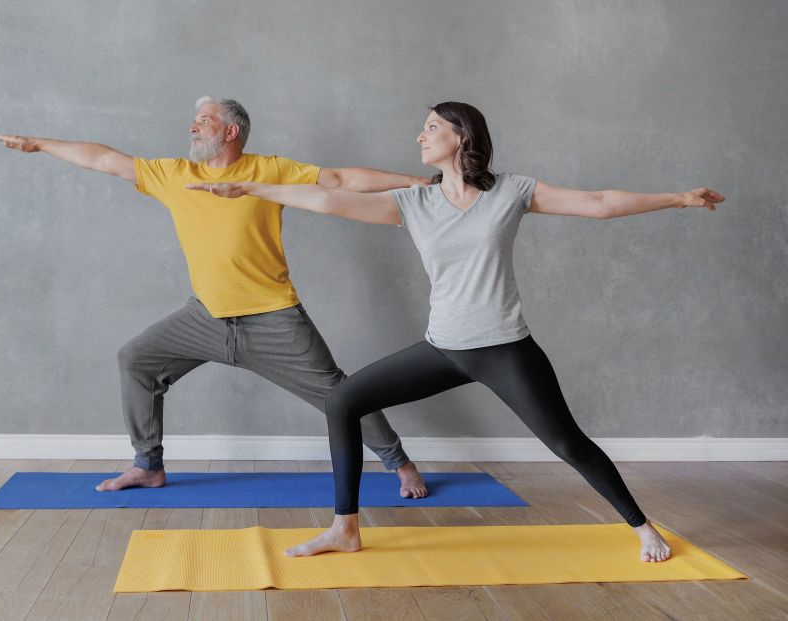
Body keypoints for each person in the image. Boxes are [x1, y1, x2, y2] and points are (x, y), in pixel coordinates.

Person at [188, 101, 726, 562]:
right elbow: (328, 199)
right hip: (444, 349)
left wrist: (678, 198)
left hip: (504, 350)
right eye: (421, 129)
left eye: (431, 127)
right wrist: (251, 188)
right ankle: (344, 529)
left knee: (568, 444)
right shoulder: (414, 202)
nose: (420, 136)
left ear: (460, 136)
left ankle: (641, 526)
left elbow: (599, 204)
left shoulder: (512, 190)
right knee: (343, 400)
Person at [0, 96, 431, 497]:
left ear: (231, 131)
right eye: (195, 120)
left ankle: (400, 464)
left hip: (273, 318)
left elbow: (339, 178)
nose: (194, 127)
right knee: (136, 360)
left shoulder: (269, 170)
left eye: (204, 120)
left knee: (338, 393)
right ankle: (148, 466)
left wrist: (416, 183)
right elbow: (104, 158)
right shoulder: (174, 175)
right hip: (204, 318)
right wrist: (39, 144)